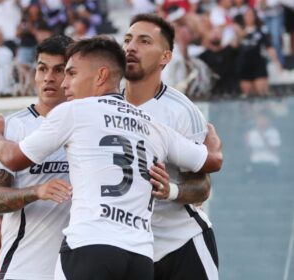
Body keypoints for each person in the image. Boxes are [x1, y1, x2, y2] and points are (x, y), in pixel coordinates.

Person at [0, 36, 223, 280]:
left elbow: (12, 157)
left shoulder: (73, 113)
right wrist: (211, 139)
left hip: (88, 246)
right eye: (42, 69)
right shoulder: (151, 124)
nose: (61, 81)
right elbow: (212, 160)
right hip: (137, 255)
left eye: (69, 73)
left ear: (100, 75)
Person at [122, 13, 221, 279]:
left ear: (165, 57)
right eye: (127, 40)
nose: (131, 47)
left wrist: (171, 190)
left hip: (182, 241)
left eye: (144, 41)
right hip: (130, 246)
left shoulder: (182, 111)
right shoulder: (106, 105)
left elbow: (202, 187)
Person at [0, 35, 74, 280]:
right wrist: (38, 191)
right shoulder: (13, 127)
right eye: (42, 69)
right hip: (25, 268)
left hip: (77, 268)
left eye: (59, 70)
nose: (49, 78)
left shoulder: (88, 124)